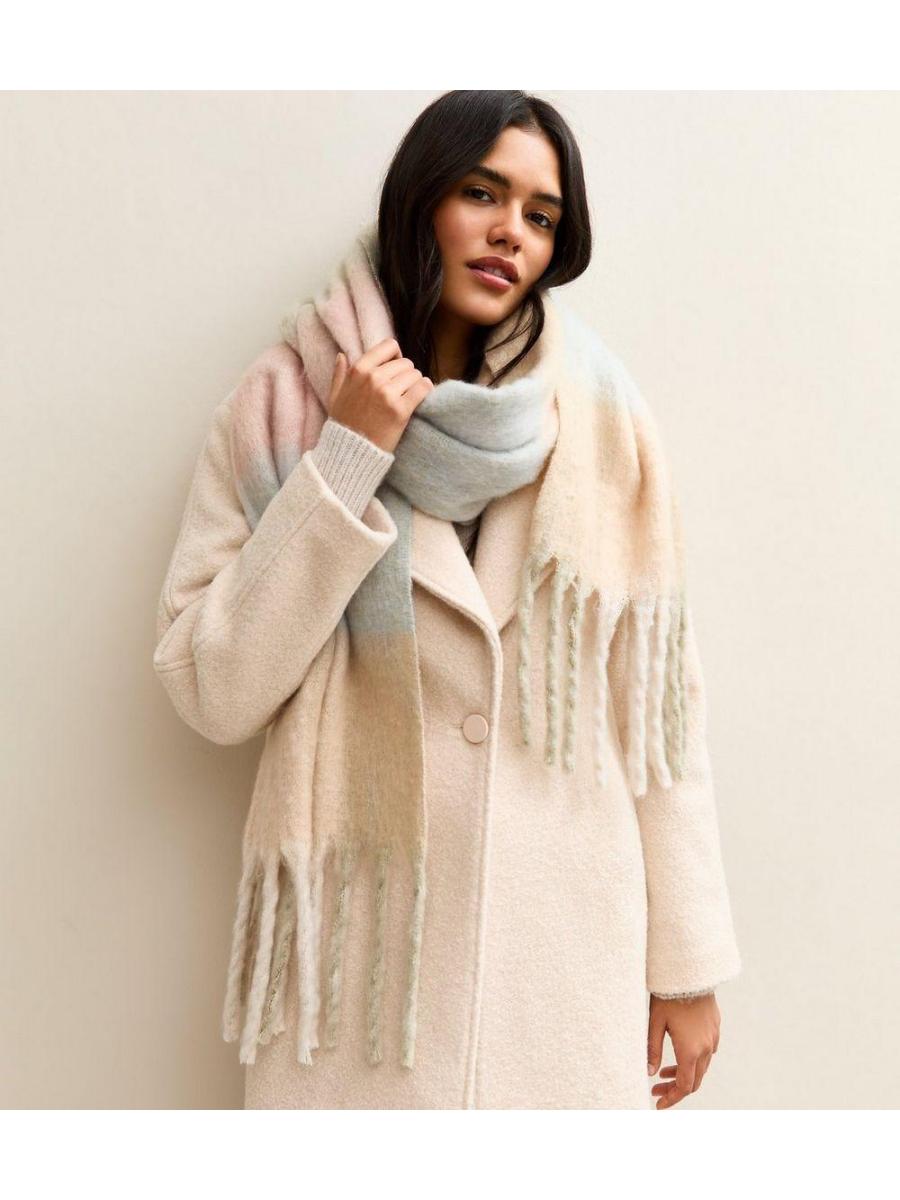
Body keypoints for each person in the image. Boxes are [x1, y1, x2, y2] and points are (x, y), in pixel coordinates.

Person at [152, 90, 741, 1110]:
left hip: (559, 953)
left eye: (541, 215)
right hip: (360, 973)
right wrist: (346, 460)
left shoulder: (601, 419)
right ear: (421, 199)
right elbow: (211, 688)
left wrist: (686, 967)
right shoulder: (282, 406)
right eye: (483, 193)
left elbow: (661, 711)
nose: (512, 230)